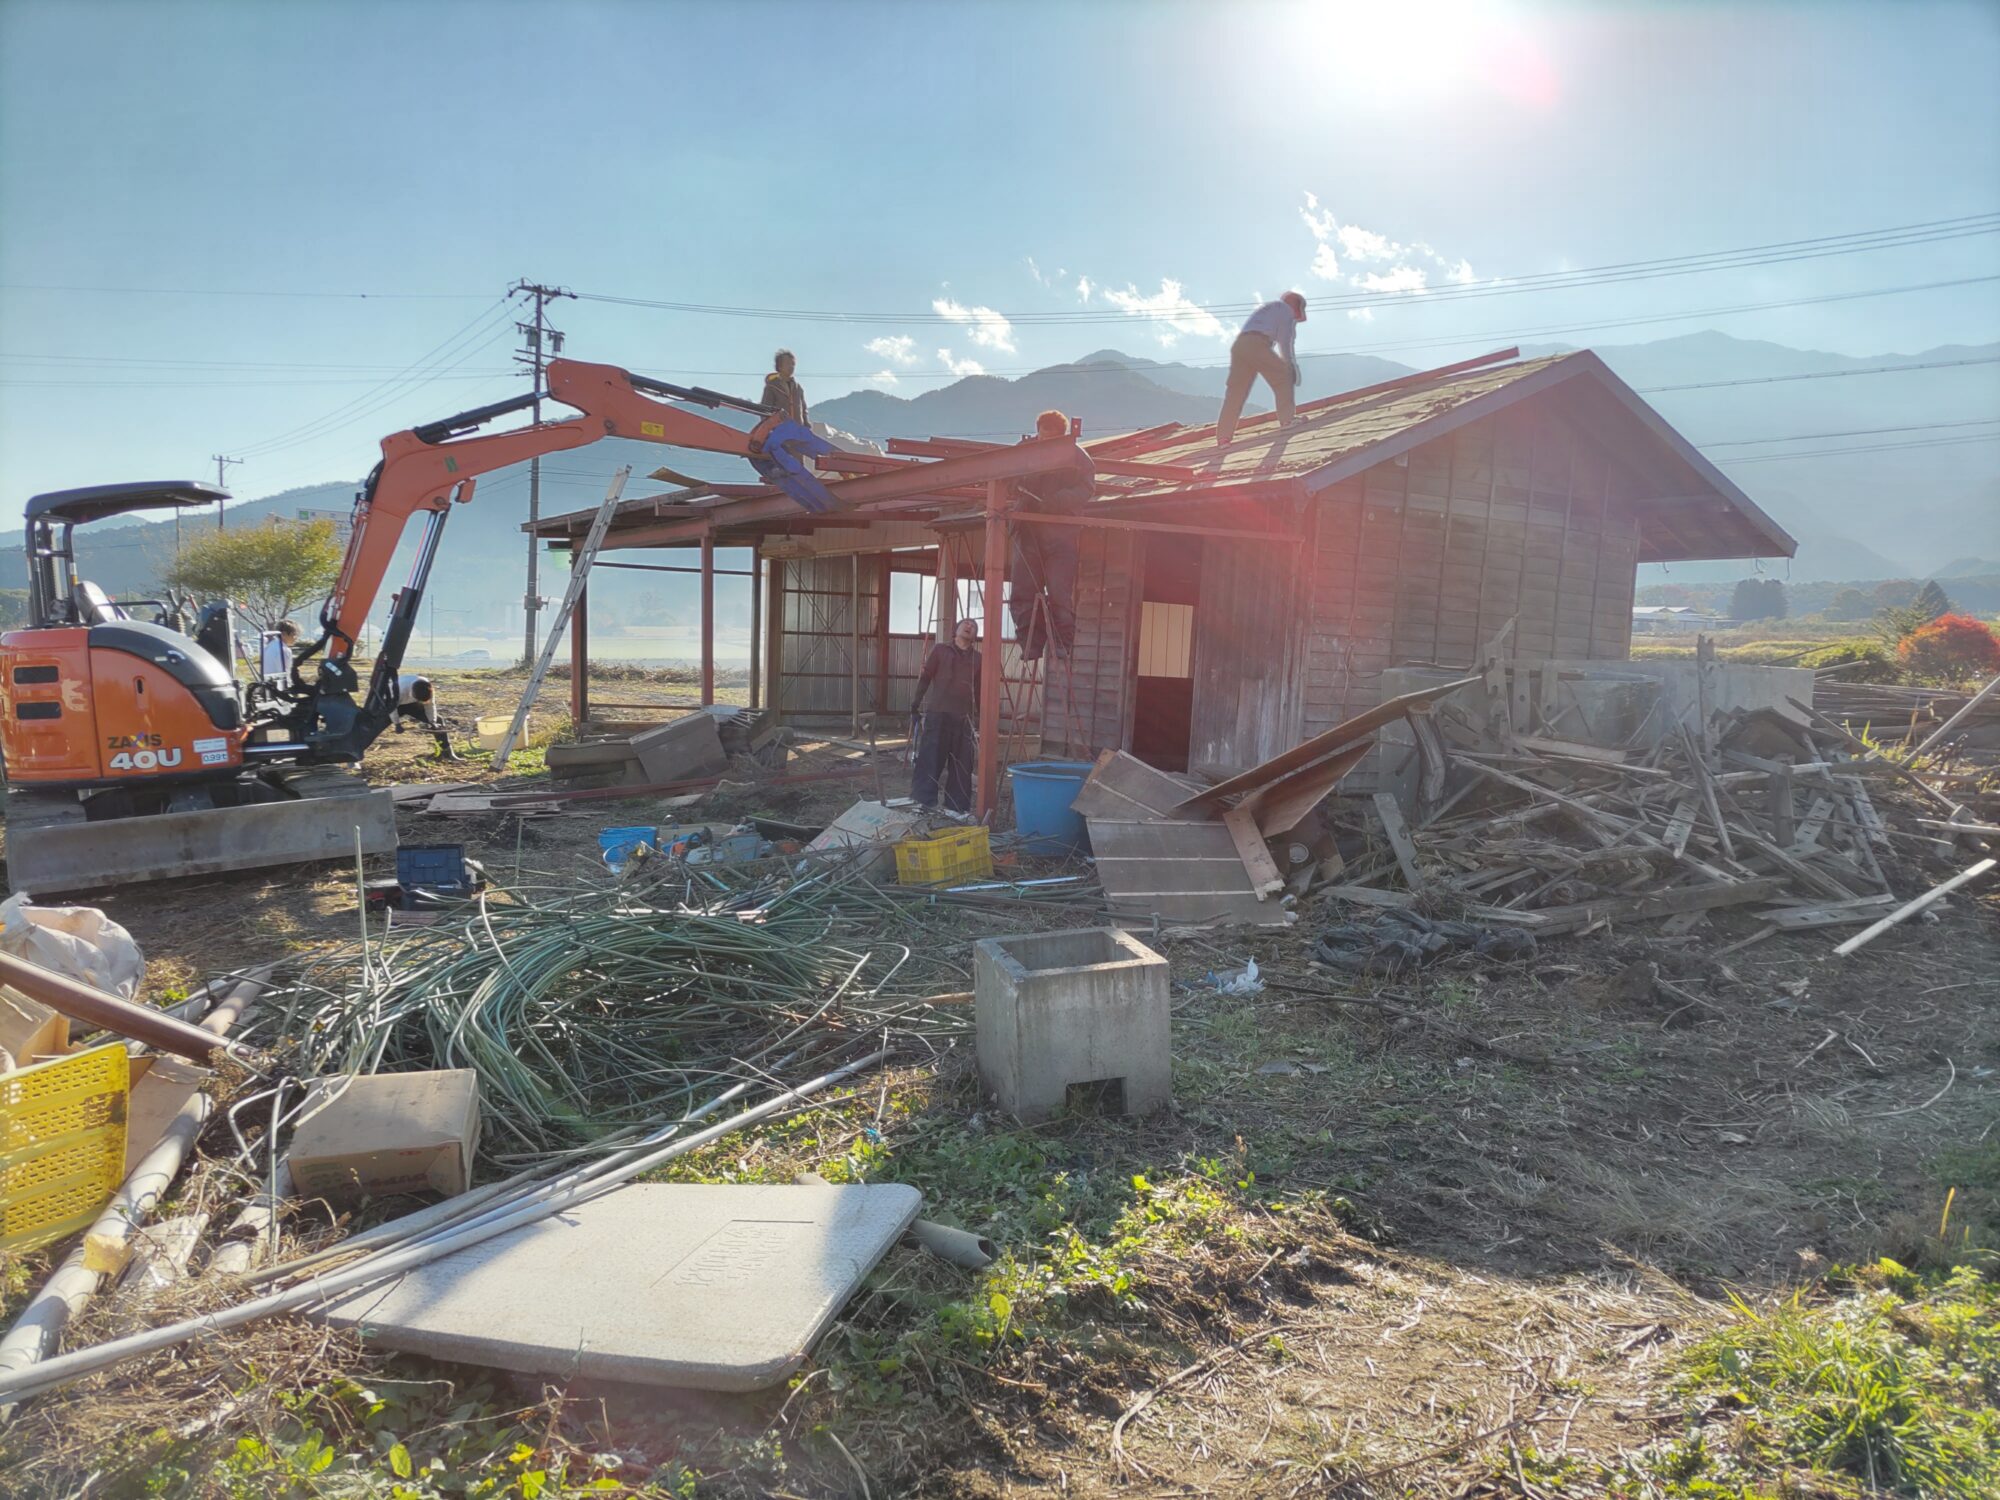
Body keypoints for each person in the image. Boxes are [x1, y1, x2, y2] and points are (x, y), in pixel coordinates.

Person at [1009, 409, 1095, 661]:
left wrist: (1056, 502)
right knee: (1023, 591)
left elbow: (1086, 488)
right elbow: (1005, 478)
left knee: (1060, 594)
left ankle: (1061, 645)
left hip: (1060, 533)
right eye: (1042, 438)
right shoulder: (1023, 451)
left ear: (1063, 435)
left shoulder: (1078, 457)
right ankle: (1030, 644)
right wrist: (1017, 486)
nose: (1045, 443)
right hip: (1027, 530)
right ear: (1037, 432)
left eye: (1052, 439)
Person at [909, 618, 981, 814]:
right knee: (930, 759)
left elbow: (980, 690)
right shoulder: (940, 650)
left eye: (973, 626)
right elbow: (926, 677)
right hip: (938, 715)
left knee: (961, 766)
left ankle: (956, 809)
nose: (969, 626)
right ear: (955, 630)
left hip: (963, 718)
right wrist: (915, 703)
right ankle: (923, 802)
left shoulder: (978, 659)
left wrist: (980, 719)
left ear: (975, 636)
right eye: (965, 624)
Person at [1216, 290, 1306, 446]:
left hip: (1240, 345)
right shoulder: (1286, 310)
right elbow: (1285, 342)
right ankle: (1287, 420)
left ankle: (1223, 437)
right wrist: (1291, 366)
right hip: (1258, 343)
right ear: (1295, 305)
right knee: (1283, 375)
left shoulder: (1269, 308)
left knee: (1236, 391)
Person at [392, 673, 462, 760]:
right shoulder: (398, 690)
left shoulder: (427, 687)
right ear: (412, 693)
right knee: (376, 725)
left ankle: (447, 753)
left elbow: (430, 705)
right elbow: (391, 708)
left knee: (439, 721)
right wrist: (397, 724)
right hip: (393, 705)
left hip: (412, 703)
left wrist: (433, 722)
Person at [760, 348, 808, 426]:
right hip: (779, 430)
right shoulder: (772, 387)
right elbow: (765, 411)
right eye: (788, 364)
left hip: (797, 430)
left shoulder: (798, 388)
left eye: (793, 364)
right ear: (780, 366)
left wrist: (806, 426)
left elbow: (804, 410)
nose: (791, 367)